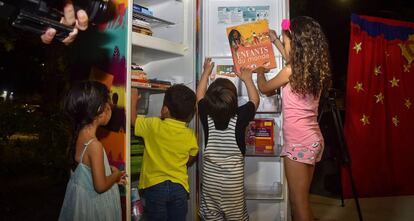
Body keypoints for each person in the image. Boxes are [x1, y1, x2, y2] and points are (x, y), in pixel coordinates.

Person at [256, 16, 331, 221]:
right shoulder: (313, 70)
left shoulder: (290, 71)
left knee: (298, 205)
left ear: (296, 45)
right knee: (303, 201)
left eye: (286, 40)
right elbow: (290, 59)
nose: (284, 44)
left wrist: (260, 72)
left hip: (298, 143)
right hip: (313, 139)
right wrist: (275, 40)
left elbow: (264, 88)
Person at [197, 58, 260, 220]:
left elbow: (199, 96)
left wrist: (206, 72)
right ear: (234, 102)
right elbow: (255, 100)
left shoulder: (205, 115)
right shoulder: (240, 117)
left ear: (209, 101)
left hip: (210, 185)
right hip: (233, 188)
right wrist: (247, 79)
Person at [59, 81, 127, 221]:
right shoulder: (94, 145)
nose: (111, 109)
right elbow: (100, 186)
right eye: (109, 105)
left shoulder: (78, 135)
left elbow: (86, 175)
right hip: (96, 207)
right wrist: (116, 175)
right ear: (99, 110)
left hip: (82, 204)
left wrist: (108, 172)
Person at [130, 84, 199, 220]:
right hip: (179, 188)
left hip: (155, 187)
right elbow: (191, 156)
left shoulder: (153, 125)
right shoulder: (190, 135)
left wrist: (133, 99)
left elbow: (133, 121)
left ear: (165, 110)